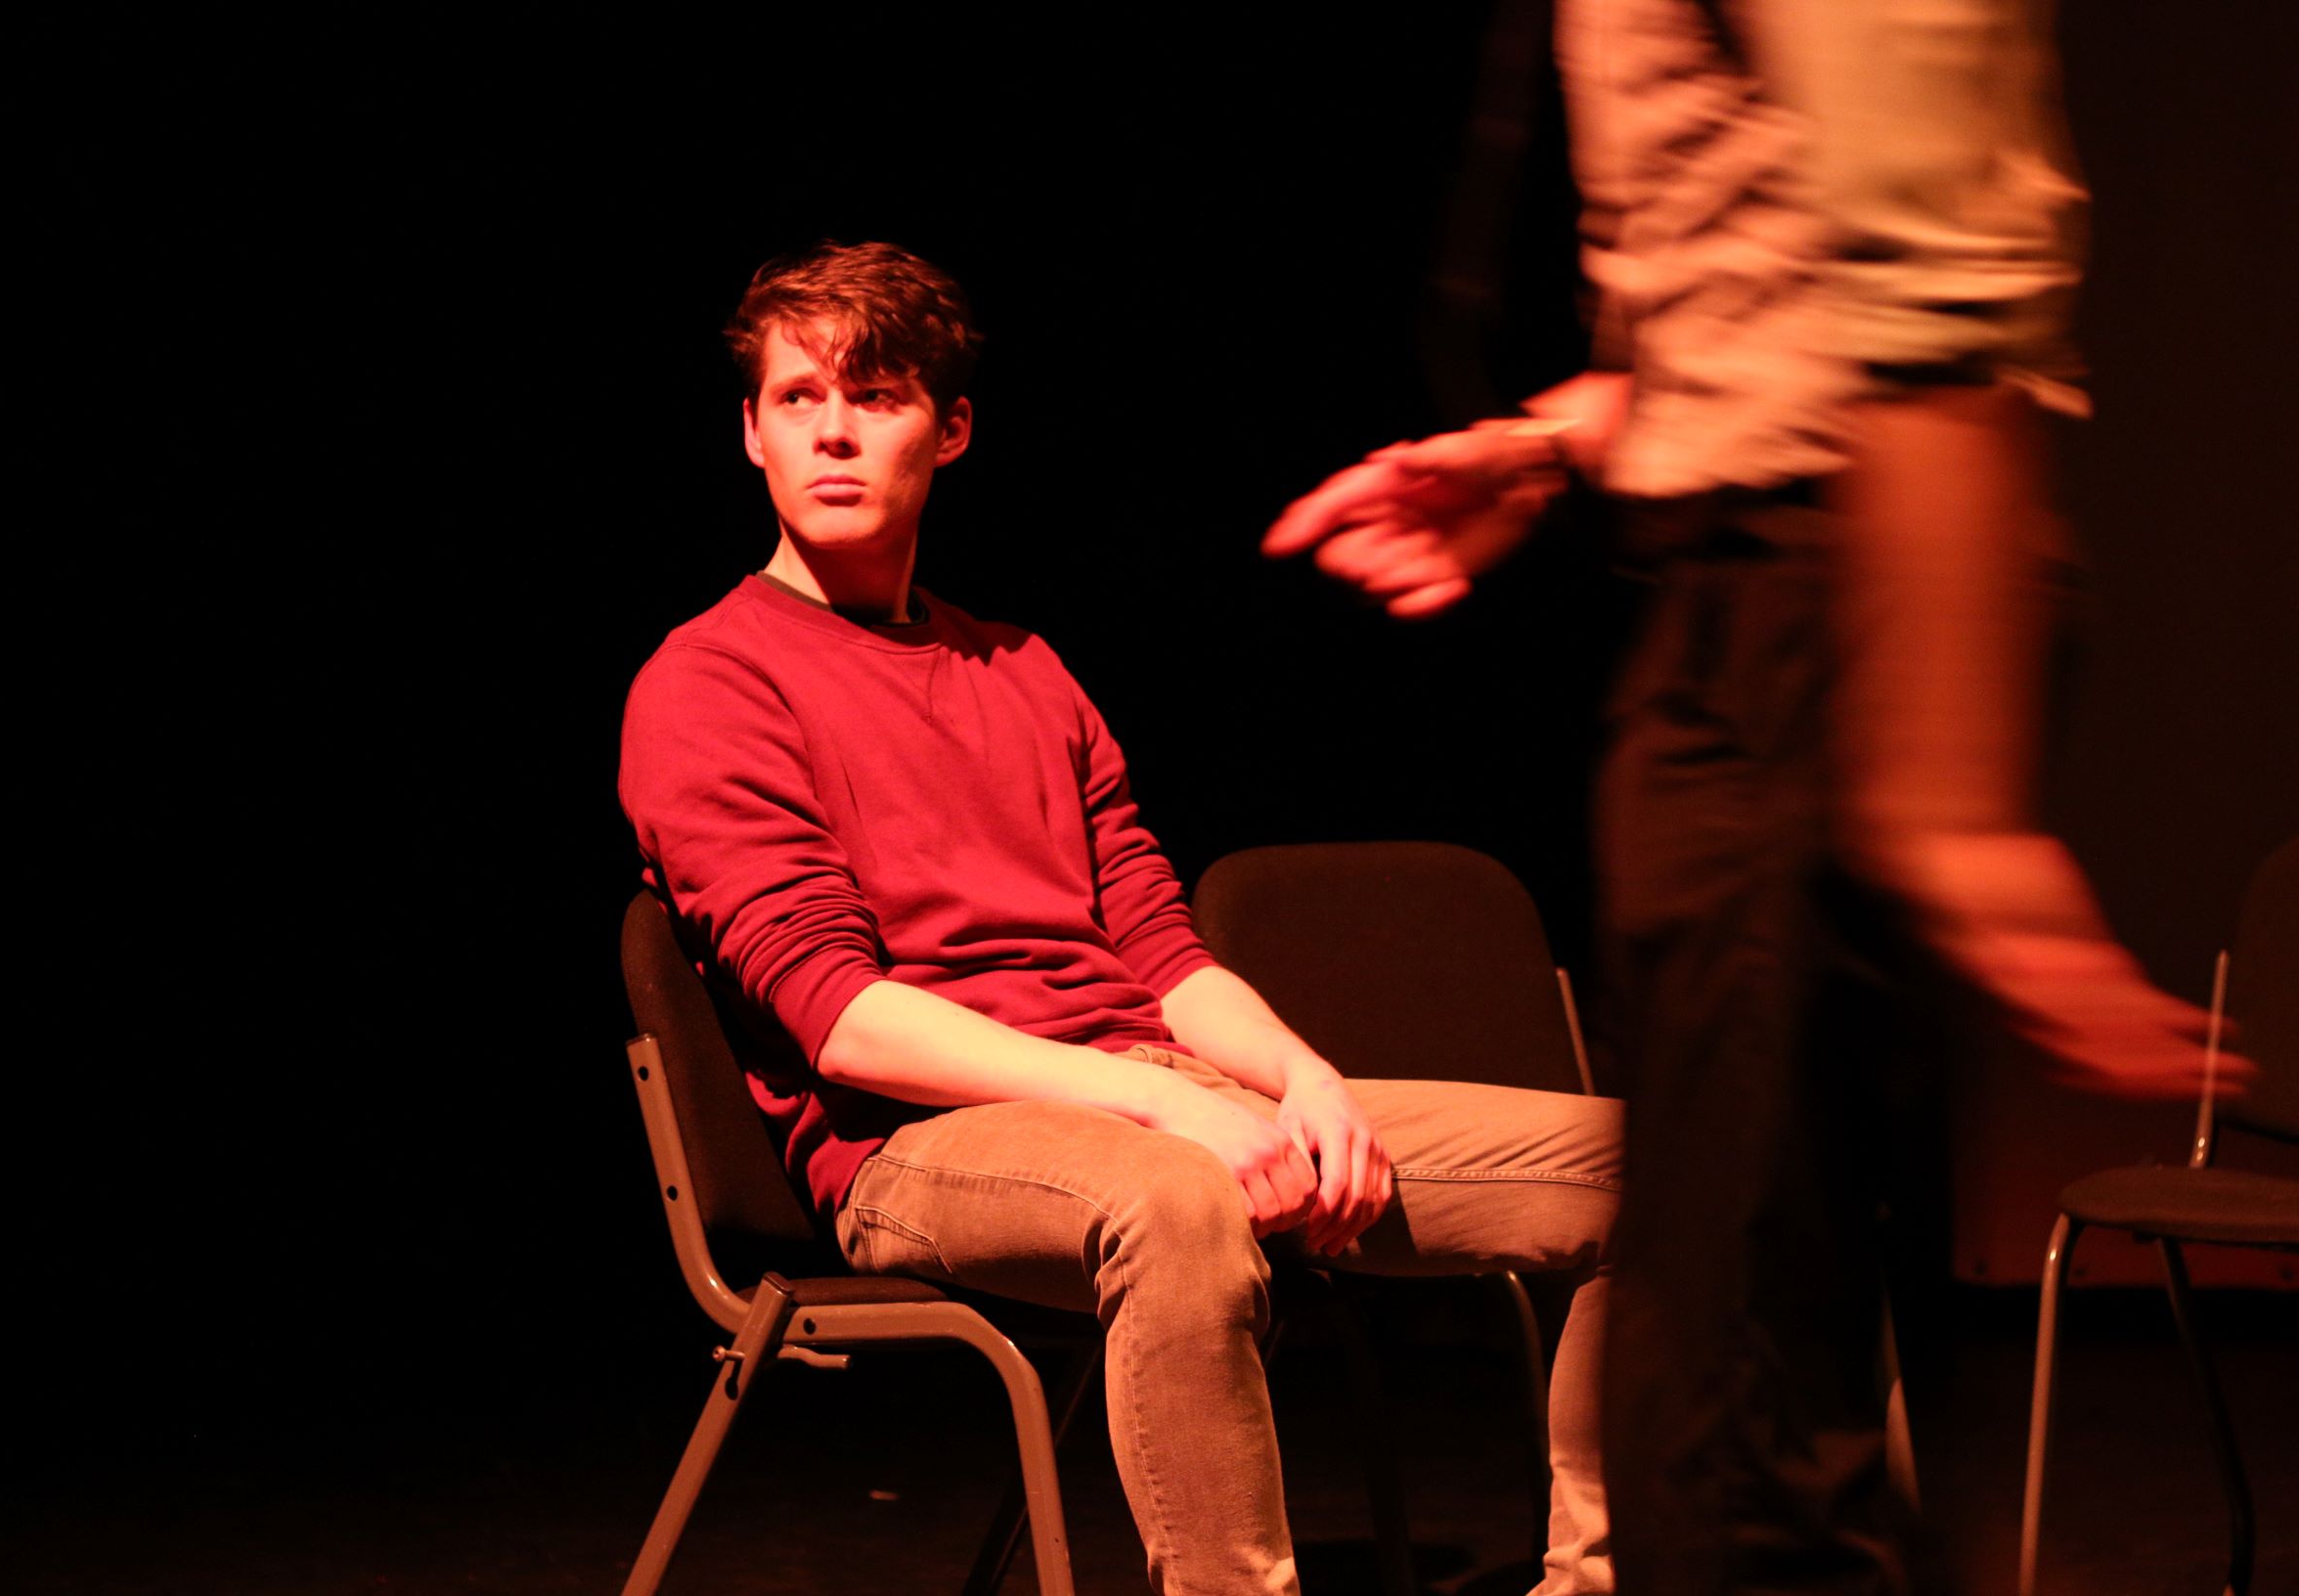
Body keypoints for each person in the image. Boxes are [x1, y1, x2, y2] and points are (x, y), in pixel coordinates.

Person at [1262, 4, 2255, 1593]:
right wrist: (1550, 440)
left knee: (1736, 1421)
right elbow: (1753, 269)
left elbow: (1932, 297)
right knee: (1735, 1368)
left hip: (1819, 604)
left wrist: (1943, 802)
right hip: (1754, 596)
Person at [618, 241, 1623, 1596]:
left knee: (1652, 1171)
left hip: (1153, 1087)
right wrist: (1155, 1108)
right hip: (916, 1140)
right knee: (1177, 1197)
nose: (835, 432)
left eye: (878, 396)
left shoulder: (1025, 670)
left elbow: (1159, 950)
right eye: (799, 399)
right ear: (752, 431)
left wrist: (1304, 1080)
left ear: (950, 430)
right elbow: (842, 1022)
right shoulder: (709, 683)